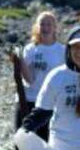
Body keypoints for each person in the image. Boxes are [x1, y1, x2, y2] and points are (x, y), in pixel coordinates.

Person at [13, 11, 65, 142]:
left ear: (55, 28)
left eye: (49, 24)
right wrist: (19, 60)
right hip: (28, 100)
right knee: (22, 141)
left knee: (46, 143)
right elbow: (28, 79)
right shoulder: (31, 49)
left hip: (50, 103)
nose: (46, 28)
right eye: (42, 24)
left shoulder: (62, 51)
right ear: (37, 27)